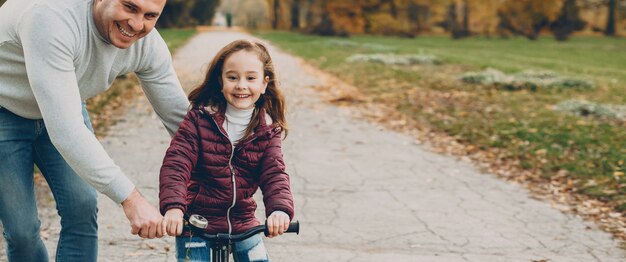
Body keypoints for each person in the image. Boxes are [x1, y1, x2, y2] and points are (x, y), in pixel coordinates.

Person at [0, 0, 189, 261]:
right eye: (129, 7)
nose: (136, 24)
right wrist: (131, 199)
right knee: (22, 230)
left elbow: (182, 122)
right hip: (4, 109)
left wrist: (228, 166)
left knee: (82, 207)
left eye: (150, 15)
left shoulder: (147, 44)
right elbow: (67, 132)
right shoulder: (51, 18)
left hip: (66, 103)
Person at [159, 39, 294, 262]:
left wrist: (279, 210)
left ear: (264, 83)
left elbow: (274, 174)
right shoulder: (200, 119)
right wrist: (174, 207)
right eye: (232, 77)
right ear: (220, 82)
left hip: (242, 220)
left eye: (251, 78)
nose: (241, 85)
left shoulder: (268, 129)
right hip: (196, 221)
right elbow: (176, 164)